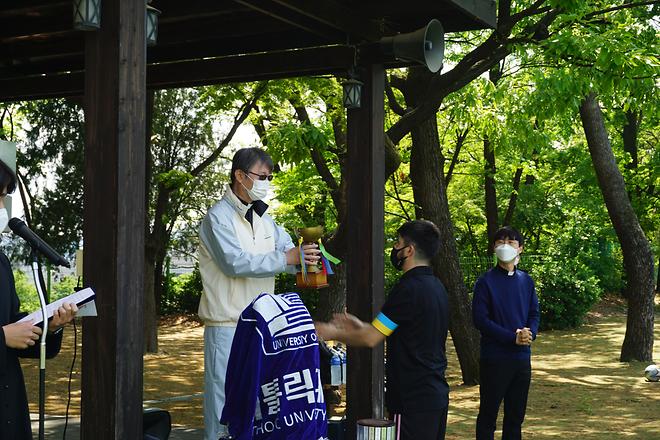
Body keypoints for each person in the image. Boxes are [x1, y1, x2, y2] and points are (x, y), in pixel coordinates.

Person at [197, 147, 320, 440]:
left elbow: (288, 256)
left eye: (269, 176)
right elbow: (234, 262)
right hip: (226, 326)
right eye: (261, 176)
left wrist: (309, 259)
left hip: (263, 328)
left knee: (259, 407)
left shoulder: (267, 220)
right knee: (223, 406)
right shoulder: (217, 218)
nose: (266, 182)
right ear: (240, 175)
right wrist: (288, 259)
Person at [316, 219, 449, 440]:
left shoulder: (406, 289)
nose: (395, 248)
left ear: (409, 250)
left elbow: (371, 339)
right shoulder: (437, 287)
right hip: (435, 395)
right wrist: (361, 325)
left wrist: (330, 332)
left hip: (411, 399)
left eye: (398, 243)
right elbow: (387, 329)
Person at [0, 157, 77, 439]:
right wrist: (3, 336)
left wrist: (50, 324)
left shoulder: (1, 261)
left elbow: (13, 324)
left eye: (6, 194)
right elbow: (7, 332)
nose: (2, 206)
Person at [472, 226, 540, 440]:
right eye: (500, 242)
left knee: (515, 416)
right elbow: (480, 320)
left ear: (520, 248)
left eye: (511, 242)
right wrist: (513, 336)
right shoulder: (485, 282)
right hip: (494, 358)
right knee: (488, 416)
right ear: (493, 247)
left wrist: (530, 334)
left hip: (522, 359)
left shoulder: (526, 281)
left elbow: (534, 313)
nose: (505, 246)